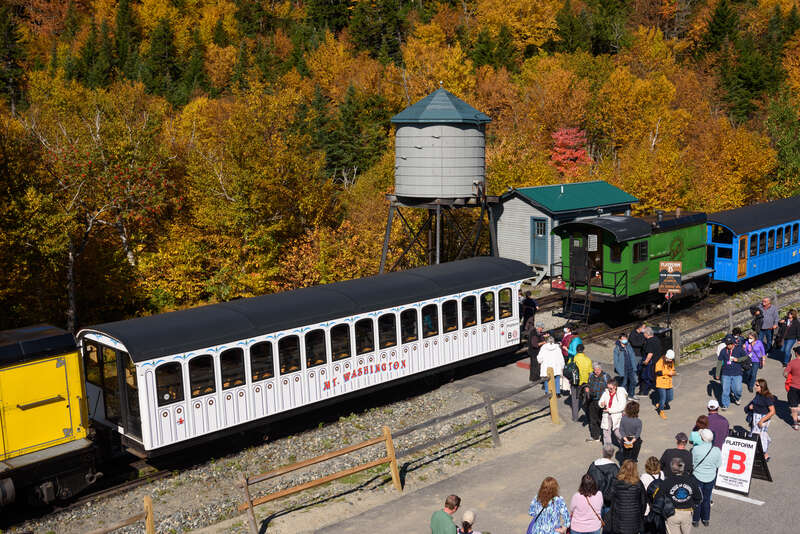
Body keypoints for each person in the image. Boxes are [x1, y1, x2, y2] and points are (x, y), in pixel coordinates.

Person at [691, 429, 722, 528]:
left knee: (697, 499)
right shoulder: (717, 450)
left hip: (698, 477)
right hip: (710, 477)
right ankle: (705, 519)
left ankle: (695, 520)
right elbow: (718, 465)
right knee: (707, 498)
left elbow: (692, 463)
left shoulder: (696, 449)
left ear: (702, 438)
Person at [662, 458, 702, 534]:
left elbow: (660, 498)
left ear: (672, 469)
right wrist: (693, 507)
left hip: (672, 514)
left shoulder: (666, 482)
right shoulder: (692, 481)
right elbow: (699, 498)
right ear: (683, 468)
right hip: (687, 513)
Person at [606, 460, 646, 534]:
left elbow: (608, 497)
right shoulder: (638, 484)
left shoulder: (615, 482)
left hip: (619, 520)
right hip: (634, 520)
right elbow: (643, 502)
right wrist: (640, 515)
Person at [745, 378, 776, 461]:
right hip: (756, 416)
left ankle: (763, 453)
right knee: (760, 434)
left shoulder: (767, 397)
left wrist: (762, 420)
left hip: (762, 418)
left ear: (762, 386)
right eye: (755, 384)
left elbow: (772, 411)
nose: (755, 386)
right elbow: (757, 404)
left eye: (757, 385)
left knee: (758, 435)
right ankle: (764, 454)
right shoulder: (758, 394)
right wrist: (752, 407)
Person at [715, 335, 748, 410]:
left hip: (737, 373)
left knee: (737, 389)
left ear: (733, 343)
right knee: (725, 390)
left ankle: (737, 397)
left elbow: (746, 357)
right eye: (727, 344)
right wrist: (717, 374)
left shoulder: (739, 349)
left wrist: (738, 360)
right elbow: (719, 362)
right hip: (726, 373)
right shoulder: (723, 351)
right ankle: (725, 404)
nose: (729, 346)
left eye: (730, 344)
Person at [587, 443, 619, 517]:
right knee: (607, 523)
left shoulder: (593, 466)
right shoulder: (615, 469)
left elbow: (587, 481)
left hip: (595, 500)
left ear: (603, 452)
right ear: (613, 454)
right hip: (609, 502)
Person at [599, 378, 628, 446]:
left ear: (615, 387)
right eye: (608, 388)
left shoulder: (620, 393)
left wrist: (610, 410)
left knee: (617, 432)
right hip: (606, 415)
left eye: (611, 388)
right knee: (606, 432)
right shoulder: (606, 392)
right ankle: (607, 450)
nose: (609, 390)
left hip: (617, 416)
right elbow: (600, 401)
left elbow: (622, 406)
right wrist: (601, 404)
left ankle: (624, 446)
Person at [584, 362, 609, 442]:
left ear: (601, 369)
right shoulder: (591, 376)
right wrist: (587, 388)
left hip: (602, 402)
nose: (597, 371)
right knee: (593, 419)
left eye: (598, 369)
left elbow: (611, 388)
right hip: (592, 401)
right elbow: (588, 384)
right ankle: (595, 436)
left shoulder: (606, 376)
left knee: (602, 419)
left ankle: (605, 436)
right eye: (595, 369)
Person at [614, 333, 639, 400]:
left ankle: (631, 395)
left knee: (633, 382)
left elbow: (633, 356)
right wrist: (619, 371)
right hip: (623, 369)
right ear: (619, 340)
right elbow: (616, 362)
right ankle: (623, 396)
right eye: (623, 339)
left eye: (625, 338)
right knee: (624, 383)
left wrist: (635, 365)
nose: (625, 340)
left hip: (631, 368)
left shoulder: (628, 346)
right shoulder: (617, 349)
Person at [639, 327, 662, 397]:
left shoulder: (649, 341)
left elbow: (650, 353)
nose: (643, 335)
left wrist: (645, 361)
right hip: (657, 361)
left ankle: (644, 391)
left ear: (646, 334)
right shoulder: (656, 339)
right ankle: (657, 390)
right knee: (654, 377)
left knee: (646, 376)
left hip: (651, 362)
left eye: (644, 333)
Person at [654, 349, 676, 418]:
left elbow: (673, 369)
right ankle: (661, 410)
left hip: (669, 382)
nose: (670, 360)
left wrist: (673, 372)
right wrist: (667, 372)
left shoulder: (671, 362)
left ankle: (661, 404)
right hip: (661, 383)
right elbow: (657, 372)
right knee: (663, 398)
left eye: (671, 359)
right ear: (666, 357)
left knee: (670, 397)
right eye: (669, 359)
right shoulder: (660, 361)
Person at [784, 345, 800, 431]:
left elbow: (785, 373)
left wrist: (788, 377)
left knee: (793, 406)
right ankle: (799, 416)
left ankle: (795, 423)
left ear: (796, 353)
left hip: (793, 387)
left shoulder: (792, 362)